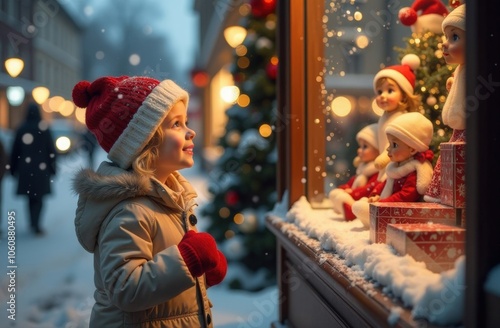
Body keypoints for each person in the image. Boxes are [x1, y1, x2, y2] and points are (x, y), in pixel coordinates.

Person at [71, 76, 227, 327]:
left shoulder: (170, 199)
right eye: (176, 124)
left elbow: (160, 280)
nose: (191, 131)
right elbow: (125, 288)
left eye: (185, 121)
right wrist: (188, 259)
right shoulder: (131, 210)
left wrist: (202, 275)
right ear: (145, 144)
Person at [352, 112, 435, 228]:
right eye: (389, 144)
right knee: (361, 203)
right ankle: (371, 221)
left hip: (402, 213)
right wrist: (376, 194)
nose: (388, 149)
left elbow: (406, 196)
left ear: (412, 149)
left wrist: (382, 203)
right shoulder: (395, 166)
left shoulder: (414, 170)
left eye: (394, 145)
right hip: (388, 206)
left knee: (361, 207)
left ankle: (374, 221)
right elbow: (386, 183)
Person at [424, 4, 466, 203]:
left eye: (454, 37)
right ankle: (444, 197)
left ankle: (454, 198)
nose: (445, 44)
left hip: (467, 132)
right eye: (447, 37)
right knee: (449, 160)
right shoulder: (460, 70)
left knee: (458, 163)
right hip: (458, 130)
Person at [9, 102, 57, 235]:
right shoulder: (44, 128)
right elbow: (51, 151)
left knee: (30, 197)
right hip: (42, 169)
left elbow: (15, 151)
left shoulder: (21, 128)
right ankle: (36, 223)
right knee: (39, 198)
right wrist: (53, 168)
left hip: (25, 169)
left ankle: (32, 222)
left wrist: (13, 169)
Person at [372, 54, 422, 182]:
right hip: (387, 167)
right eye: (379, 92)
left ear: (404, 95)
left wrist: (383, 159)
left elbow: (393, 143)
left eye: (390, 91)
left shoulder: (400, 118)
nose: (383, 96)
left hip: (397, 168)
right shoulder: (385, 116)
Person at [328, 123, 380, 220]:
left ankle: (351, 211)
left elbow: (370, 188)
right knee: (335, 193)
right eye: (359, 147)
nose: (359, 150)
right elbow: (352, 182)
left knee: (344, 199)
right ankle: (347, 209)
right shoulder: (363, 169)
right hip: (356, 199)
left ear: (378, 149)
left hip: (365, 201)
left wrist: (352, 192)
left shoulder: (377, 170)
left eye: (365, 147)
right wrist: (344, 188)